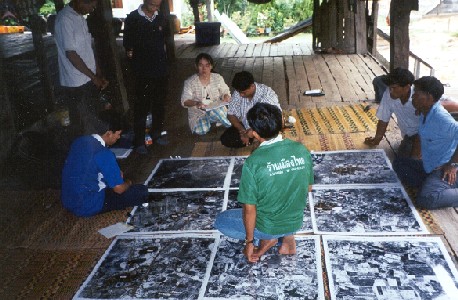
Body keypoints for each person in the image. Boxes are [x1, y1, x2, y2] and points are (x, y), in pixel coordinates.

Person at [214, 103, 314, 263]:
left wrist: (249, 242)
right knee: (287, 192)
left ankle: (269, 238)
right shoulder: (301, 150)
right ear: (281, 124)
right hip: (295, 221)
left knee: (222, 220)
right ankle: (288, 238)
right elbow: (307, 188)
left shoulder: (253, 162)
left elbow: (249, 209)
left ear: (254, 133)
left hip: (269, 226)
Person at [61, 110, 148, 217]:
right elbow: (119, 189)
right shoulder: (104, 153)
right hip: (86, 205)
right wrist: (128, 182)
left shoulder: (79, 141)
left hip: (68, 200)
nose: (119, 137)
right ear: (109, 133)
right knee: (141, 191)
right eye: (118, 134)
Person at [393, 76, 458, 209]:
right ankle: (433, 183)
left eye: (416, 93)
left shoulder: (441, 118)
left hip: (444, 168)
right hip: (430, 165)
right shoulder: (425, 111)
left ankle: (443, 185)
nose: (413, 97)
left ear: (429, 97)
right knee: (399, 163)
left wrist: (451, 164)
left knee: (425, 199)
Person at [54, 0, 109, 136]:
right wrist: (93, 77)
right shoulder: (64, 19)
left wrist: (98, 74)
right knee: (84, 123)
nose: (92, 9)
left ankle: (98, 150)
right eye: (90, 5)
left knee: (93, 118)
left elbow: (88, 49)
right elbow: (71, 54)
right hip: (76, 82)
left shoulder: (80, 18)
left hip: (88, 79)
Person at [123, 0, 169, 154]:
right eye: (152, 5)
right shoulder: (132, 19)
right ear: (145, 2)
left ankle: (156, 135)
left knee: (159, 105)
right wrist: (137, 67)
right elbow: (128, 48)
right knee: (142, 108)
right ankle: (139, 142)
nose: (155, 9)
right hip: (142, 73)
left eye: (158, 5)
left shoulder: (161, 17)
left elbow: (164, 42)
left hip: (160, 70)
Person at [365, 68, 421, 158]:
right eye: (390, 87)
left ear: (407, 87)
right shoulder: (389, 93)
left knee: (406, 161)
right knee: (403, 157)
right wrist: (377, 139)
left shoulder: (420, 96)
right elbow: (383, 118)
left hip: (425, 136)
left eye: (394, 88)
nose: (390, 91)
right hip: (408, 137)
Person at [220, 71, 281, 148]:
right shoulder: (238, 92)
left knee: (267, 141)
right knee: (226, 139)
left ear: (252, 86)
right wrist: (242, 131)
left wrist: (252, 133)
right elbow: (230, 114)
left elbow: (271, 122)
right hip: (246, 128)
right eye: (239, 92)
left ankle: (258, 141)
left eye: (243, 92)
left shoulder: (267, 95)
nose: (240, 95)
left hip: (265, 129)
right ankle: (252, 140)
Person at [181, 53, 231, 135]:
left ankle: (229, 124)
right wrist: (196, 103)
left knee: (217, 112)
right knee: (200, 131)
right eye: (201, 65)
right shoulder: (190, 82)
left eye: (207, 65)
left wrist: (225, 95)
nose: (204, 68)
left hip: (217, 109)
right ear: (196, 66)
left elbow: (225, 91)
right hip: (198, 114)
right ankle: (215, 122)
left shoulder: (217, 78)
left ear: (211, 66)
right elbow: (185, 101)